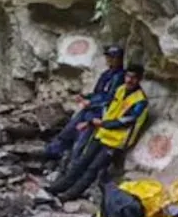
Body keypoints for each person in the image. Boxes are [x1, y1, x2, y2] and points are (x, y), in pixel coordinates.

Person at [45, 64, 149, 202]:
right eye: (128, 76)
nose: (129, 80)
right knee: (82, 161)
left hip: (115, 142)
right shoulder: (120, 90)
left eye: (134, 78)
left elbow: (125, 121)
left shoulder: (140, 101)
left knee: (93, 169)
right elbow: (107, 107)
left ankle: (69, 195)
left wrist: (101, 124)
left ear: (140, 79)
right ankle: (58, 187)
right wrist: (90, 122)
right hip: (101, 133)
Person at [46, 45, 126, 161]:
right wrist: (84, 97)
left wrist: (91, 103)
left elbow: (112, 99)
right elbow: (97, 92)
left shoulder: (121, 77)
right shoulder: (106, 74)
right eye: (109, 57)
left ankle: (72, 160)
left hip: (102, 113)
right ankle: (53, 151)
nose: (110, 60)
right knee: (70, 128)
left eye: (114, 57)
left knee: (82, 140)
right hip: (92, 109)